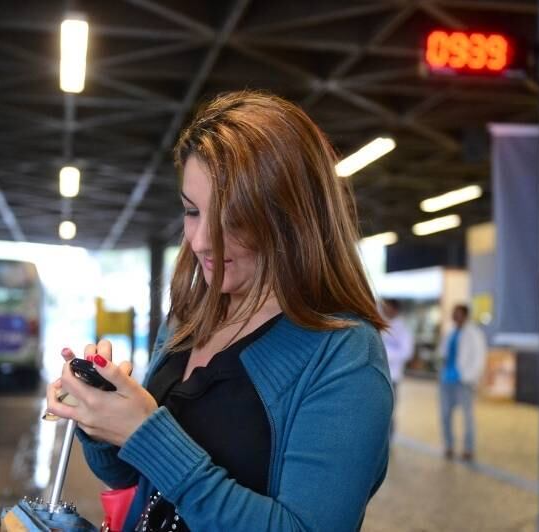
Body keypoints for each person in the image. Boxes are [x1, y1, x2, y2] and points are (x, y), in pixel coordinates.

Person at [45, 91, 393, 532]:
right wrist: (100, 419)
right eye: (192, 211)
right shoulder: (188, 318)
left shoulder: (343, 354)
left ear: (293, 219)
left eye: (235, 217)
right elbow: (129, 476)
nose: (202, 241)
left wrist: (147, 433)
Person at [438, 303, 487, 461]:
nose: (455, 316)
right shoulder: (450, 333)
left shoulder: (474, 334)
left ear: (465, 316)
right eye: (453, 313)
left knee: (467, 417)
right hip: (447, 380)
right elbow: (443, 353)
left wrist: (471, 377)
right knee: (445, 415)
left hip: (463, 381)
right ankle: (449, 445)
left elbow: (479, 358)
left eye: (458, 314)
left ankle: (468, 448)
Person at [381, 298, 414, 437]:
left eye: (387, 307)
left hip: (392, 376)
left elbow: (407, 352)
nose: (384, 309)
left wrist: (387, 354)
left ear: (395, 310)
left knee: (389, 409)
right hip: (378, 373)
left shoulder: (403, 329)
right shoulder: (380, 323)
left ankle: (389, 439)